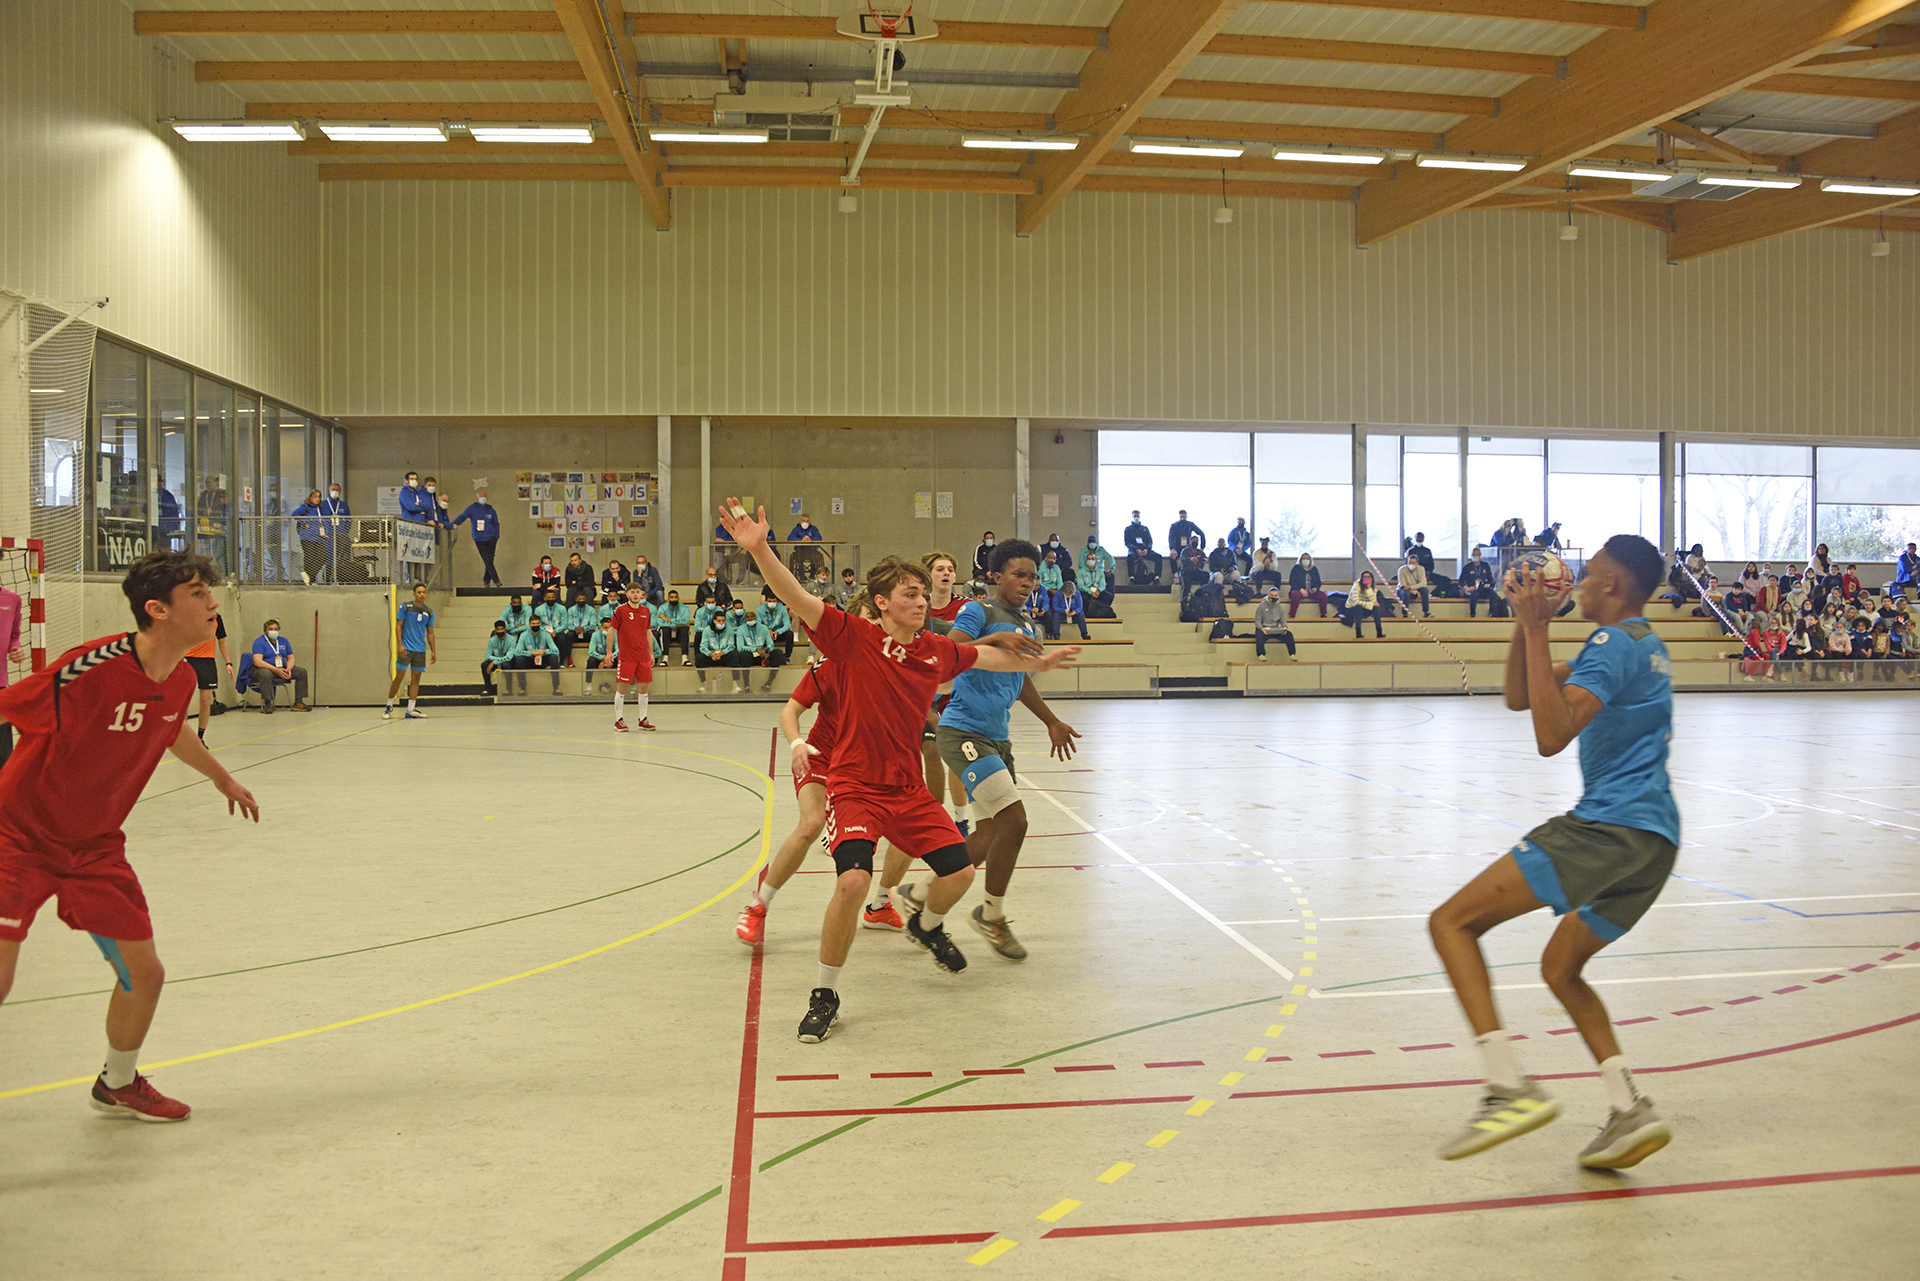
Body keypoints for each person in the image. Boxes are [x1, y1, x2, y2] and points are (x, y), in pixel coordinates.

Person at [715, 499, 1078, 1042]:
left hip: (908, 790)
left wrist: (1036, 662)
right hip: (855, 787)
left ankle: (924, 923)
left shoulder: (934, 651)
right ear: (881, 603)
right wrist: (760, 549)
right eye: (909, 593)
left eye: (923, 592)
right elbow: (797, 595)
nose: (921, 600)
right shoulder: (851, 638)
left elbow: (986, 659)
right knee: (853, 881)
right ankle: (825, 992)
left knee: (957, 872)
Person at [1427, 533, 1677, 1170]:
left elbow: (1550, 735)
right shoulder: (1644, 644)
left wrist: (1540, 632)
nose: (1580, 584)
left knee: (1451, 922)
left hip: (1608, 829)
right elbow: (1519, 695)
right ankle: (1629, 1108)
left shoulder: (1609, 643)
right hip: (1654, 841)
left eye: (1589, 575)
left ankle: (1507, 1087)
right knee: (1562, 968)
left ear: (1612, 587)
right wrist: (1524, 624)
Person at [0, 551, 261, 1124]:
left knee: (145, 975)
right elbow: (8, 707)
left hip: (93, 848)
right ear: (157, 610)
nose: (212, 602)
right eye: (197, 593)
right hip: (15, 837)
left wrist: (223, 777)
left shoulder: (183, 678)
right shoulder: (89, 667)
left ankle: (117, 1083)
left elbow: (169, 733)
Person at [890, 537, 1080, 965]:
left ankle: (919, 892)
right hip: (963, 732)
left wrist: (1050, 719)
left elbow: (1021, 676)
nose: (1028, 582)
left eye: (1032, 575)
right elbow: (951, 652)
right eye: (1019, 574)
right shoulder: (978, 611)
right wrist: (996, 639)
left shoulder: (1028, 624)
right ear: (995, 576)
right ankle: (990, 914)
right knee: (1015, 820)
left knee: (991, 832)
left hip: (997, 737)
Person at [383, 582, 436, 720]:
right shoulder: (405, 607)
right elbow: (398, 626)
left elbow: (430, 633)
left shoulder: (429, 612)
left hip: (420, 650)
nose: (422, 594)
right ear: (414, 594)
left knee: (416, 679)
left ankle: (411, 709)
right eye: (419, 592)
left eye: (424, 592)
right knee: (399, 677)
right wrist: (400, 645)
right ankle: (389, 705)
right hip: (406, 648)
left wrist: (433, 650)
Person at [608, 585, 656, 730]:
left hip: (642, 656)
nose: (635, 595)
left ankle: (643, 719)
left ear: (641, 594)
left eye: (637, 592)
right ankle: (618, 720)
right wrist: (609, 651)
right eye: (632, 592)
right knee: (622, 686)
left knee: (643, 687)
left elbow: (648, 632)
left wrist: (651, 653)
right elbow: (611, 630)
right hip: (627, 656)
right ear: (627, 594)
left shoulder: (646, 611)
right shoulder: (620, 610)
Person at [183, 611, 231, 744]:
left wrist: (228, 663)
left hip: (207, 662)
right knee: (184, 700)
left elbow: (222, 641)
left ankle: (200, 738)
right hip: (187, 659)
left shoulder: (217, 618)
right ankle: (184, 738)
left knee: (205, 701)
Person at [247, 619, 308, 713]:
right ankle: (268, 704)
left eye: (275, 629)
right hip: (264, 669)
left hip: (281, 668)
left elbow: (291, 658)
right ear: (265, 631)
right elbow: (257, 661)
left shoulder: (283, 641)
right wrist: (275, 670)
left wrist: (289, 669)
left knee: (301, 672)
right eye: (270, 629)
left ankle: (299, 702)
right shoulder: (259, 642)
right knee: (265, 673)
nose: (273, 631)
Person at [452, 490, 503, 587]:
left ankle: (486, 582)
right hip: (479, 539)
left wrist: (496, 536)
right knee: (487, 560)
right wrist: (454, 524)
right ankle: (496, 581)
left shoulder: (491, 510)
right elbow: (463, 516)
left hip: (491, 538)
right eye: (481, 496)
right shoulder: (472, 509)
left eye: (485, 497)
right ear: (477, 497)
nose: (483, 498)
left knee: (489, 560)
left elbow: (496, 523)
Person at [397, 471, 434, 585]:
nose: (414, 481)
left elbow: (427, 506)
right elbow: (411, 506)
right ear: (407, 481)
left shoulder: (417, 493)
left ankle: (419, 578)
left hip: (420, 528)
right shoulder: (404, 493)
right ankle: (409, 579)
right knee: (409, 554)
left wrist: (420, 507)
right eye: (412, 479)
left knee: (419, 553)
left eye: (416, 479)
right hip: (409, 528)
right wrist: (419, 507)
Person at [0, 583, 22, 772]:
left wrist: (16, 648)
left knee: (4, 757)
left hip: (1, 687)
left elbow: (14, 636)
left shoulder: (12, 600)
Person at [514, 616, 561, 695]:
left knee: (554, 657)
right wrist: (532, 653)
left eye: (537, 623)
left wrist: (544, 651)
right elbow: (517, 652)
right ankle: (522, 688)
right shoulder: (524, 635)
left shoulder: (545, 634)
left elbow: (556, 651)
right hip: (530, 659)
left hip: (543, 659)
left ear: (540, 624)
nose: (535, 625)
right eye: (533, 624)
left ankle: (556, 688)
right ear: (529, 625)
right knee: (519, 659)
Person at [291, 489, 329, 585]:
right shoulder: (306, 507)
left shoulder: (320, 509)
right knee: (310, 557)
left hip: (318, 537)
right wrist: (304, 522)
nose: (317, 499)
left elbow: (322, 522)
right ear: (310, 497)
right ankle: (310, 580)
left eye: (319, 496)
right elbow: (294, 514)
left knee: (322, 556)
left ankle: (309, 577)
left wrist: (325, 532)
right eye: (315, 496)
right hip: (307, 537)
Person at [694, 607, 736, 695]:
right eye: (719, 621)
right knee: (699, 657)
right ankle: (704, 685)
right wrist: (710, 654)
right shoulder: (707, 630)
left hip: (724, 655)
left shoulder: (730, 630)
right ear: (714, 621)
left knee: (734, 654)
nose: (721, 623)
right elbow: (703, 647)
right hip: (711, 656)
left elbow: (731, 645)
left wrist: (722, 653)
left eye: (723, 621)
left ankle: (735, 685)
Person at [1340, 571, 1389, 639]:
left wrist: (1368, 589)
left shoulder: (1373, 588)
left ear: (1372, 578)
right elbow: (1356, 602)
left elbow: (1373, 602)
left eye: (1368, 577)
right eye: (1364, 577)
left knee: (1377, 608)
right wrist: (1370, 604)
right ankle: (1358, 634)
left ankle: (1379, 633)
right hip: (1352, 608)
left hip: (1365, 608)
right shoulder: (1356, 586)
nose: (1366, 578)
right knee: (1359, 607)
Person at [318, 482, 351, 584]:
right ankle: (327, 580)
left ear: (340, 492)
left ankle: (341, 580)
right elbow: (319, 520)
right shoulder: (323, 505)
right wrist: (323, 533)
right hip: (327, 537)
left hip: (341, 535)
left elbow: (349, 519)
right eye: (333, 489)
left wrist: (345, 531)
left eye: (337, 490)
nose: (335, 492)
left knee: (341, 558)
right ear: (329, 491)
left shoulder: (343, 506)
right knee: (328, 559)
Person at [1253, 587, 1296, 661]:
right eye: (1272, 595)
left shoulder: (1281, 607)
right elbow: (1257, 620)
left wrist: (1284, 628)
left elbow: (1283, 622)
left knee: (1289, 634)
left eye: (1276, 595)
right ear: (1268, 595)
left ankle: (1292, 654)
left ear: (1278, 596)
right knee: (1259, 635)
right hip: (1264, 629)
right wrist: (1261, 628)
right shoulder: (1261, 606)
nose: (1273, 597)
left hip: (1276, 629)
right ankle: (1261, 655)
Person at [1123, 511, 1161, 585]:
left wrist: (1147, 549)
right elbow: (1127, 542)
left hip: (1145, 550)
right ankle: (1132, 578)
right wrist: (1136, 549)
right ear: (1132, 517)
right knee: (1130, 557)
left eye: (1137, 516)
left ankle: (1157, 578)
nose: (1136, 518)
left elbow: (1150, 541)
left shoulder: (1145, 529)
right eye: (1134, 516)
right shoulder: (1128, 529)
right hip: (1134, 550)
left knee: (1158, 557)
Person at [1460, 547, 1498, 618]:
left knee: (1492, 594)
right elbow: (1461, 582)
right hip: (1472, 590)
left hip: (1482, 589)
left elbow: (1490, 579)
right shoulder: (1467, 567)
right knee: (1475, 593)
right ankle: (1472, 613)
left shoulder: (1485, 566)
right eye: (1473, 555)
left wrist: (1489, 585)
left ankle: (1492, 613)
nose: (1475, 557)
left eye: (1477, 555)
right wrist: (1468, 588)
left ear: (1480, 555)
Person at [656, 590, 692, 665]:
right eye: (671, 597)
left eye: (675, 597)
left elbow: (685, 621)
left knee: (685, 629)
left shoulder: (684, 608)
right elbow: (661, 623)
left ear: (678, 598)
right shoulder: (662, 608)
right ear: (668, 599)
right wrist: (676, 624)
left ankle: (685, 658)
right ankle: (665, 658)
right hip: (668, 633)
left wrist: (667, 619)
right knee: (664, 629)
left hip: (679, 633)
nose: (674, 599)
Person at [481, 619, 517, 696]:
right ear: (495, 630)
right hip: (496, 660)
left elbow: (509, 657)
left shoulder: (512, 640)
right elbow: (487, 656)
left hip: (507, 662)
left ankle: (508, 690)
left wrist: (494, 661)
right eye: (498, 629)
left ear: (505, 629)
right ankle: (488, 689)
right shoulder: (492, 640)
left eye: (502, 629)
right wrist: (495, 661)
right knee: (484, 665)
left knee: (506, 665)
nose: (500, 631)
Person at [759, 588, 794, 665]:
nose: (772, 603)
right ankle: (765, 656)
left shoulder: (782, 609)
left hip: (778, 633)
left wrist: (778, 632)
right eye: (770, 601)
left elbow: (787, 625)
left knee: (790, 634)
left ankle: (787, 657)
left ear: (777, 601)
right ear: (766, 601)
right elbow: (758, 625)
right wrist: (768, 631)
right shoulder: (760, 609)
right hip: (766, 633)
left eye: (774, 601)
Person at [1288, 553, 1328, 618]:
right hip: (1299, 591)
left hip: (1311, 592)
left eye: (1307, 558)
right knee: (1294, 594)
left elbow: (1318, 582)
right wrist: (1301, 589)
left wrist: (1315, 588)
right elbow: (1292, 582)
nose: (1306, 560)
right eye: (1304, 558)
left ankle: (1323, 614)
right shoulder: (1296, 568)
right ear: (1301, 560)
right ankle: (1292, 615)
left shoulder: (1314, 569)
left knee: (1323, 595)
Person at [1397, 551, 1432, 619]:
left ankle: (1426, 612)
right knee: (1406, 593)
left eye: (1413, 563)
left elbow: (1423, 583)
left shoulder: (1421, 569)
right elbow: (1403, 585)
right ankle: (1404, 614)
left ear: (1417, 563)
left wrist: (1411, 588)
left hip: (1414, 587)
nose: (1411, 564)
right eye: (1409, 563)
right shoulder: (1402, 569)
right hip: (1403, 590)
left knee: (1425, 591)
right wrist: (1415, 592)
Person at [1176, 537, 1209, 604]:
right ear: (1189, 542)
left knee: (1206, 575)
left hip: (1196, 571)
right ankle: (1184, 600)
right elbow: (1182, 560)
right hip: (1186, 571)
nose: (1195, 543)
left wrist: (1206, 560)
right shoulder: (1185, 551)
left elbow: (1205, 558)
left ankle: (1200, 596)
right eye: (1193, 541)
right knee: (1187, 586)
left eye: (1196, 541)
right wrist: (1190, 559)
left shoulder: (1200, 552)